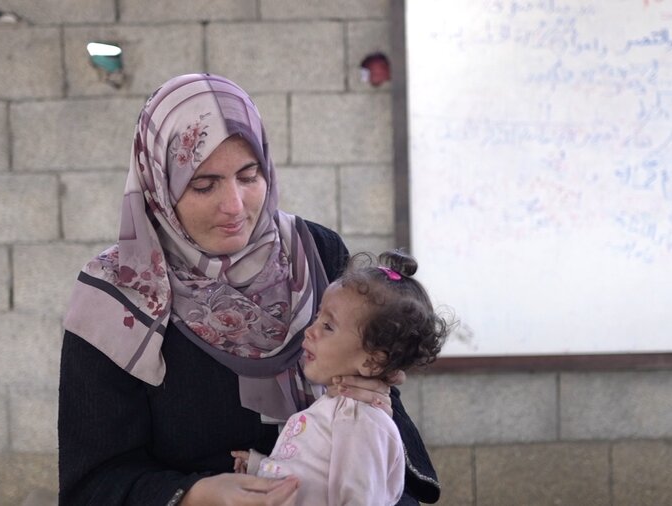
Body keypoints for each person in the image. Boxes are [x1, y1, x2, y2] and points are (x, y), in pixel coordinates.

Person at [57, 73, 440, 506]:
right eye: (203, 185)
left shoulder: (316, 252)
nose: (235, 206)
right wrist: (193, 495)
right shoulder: (117, 294)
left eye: (248, 175)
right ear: (158, 187)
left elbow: (374, 413)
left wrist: (381, 404)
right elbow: (93, 483)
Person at [231, 250, 449, 505]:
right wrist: (262, 468)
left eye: (328, 326)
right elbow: (313, 477)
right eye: (317, 317)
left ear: (371, 361)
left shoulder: (362, 424)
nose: (310, 331)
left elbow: (358, 499)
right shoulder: (336, 409)